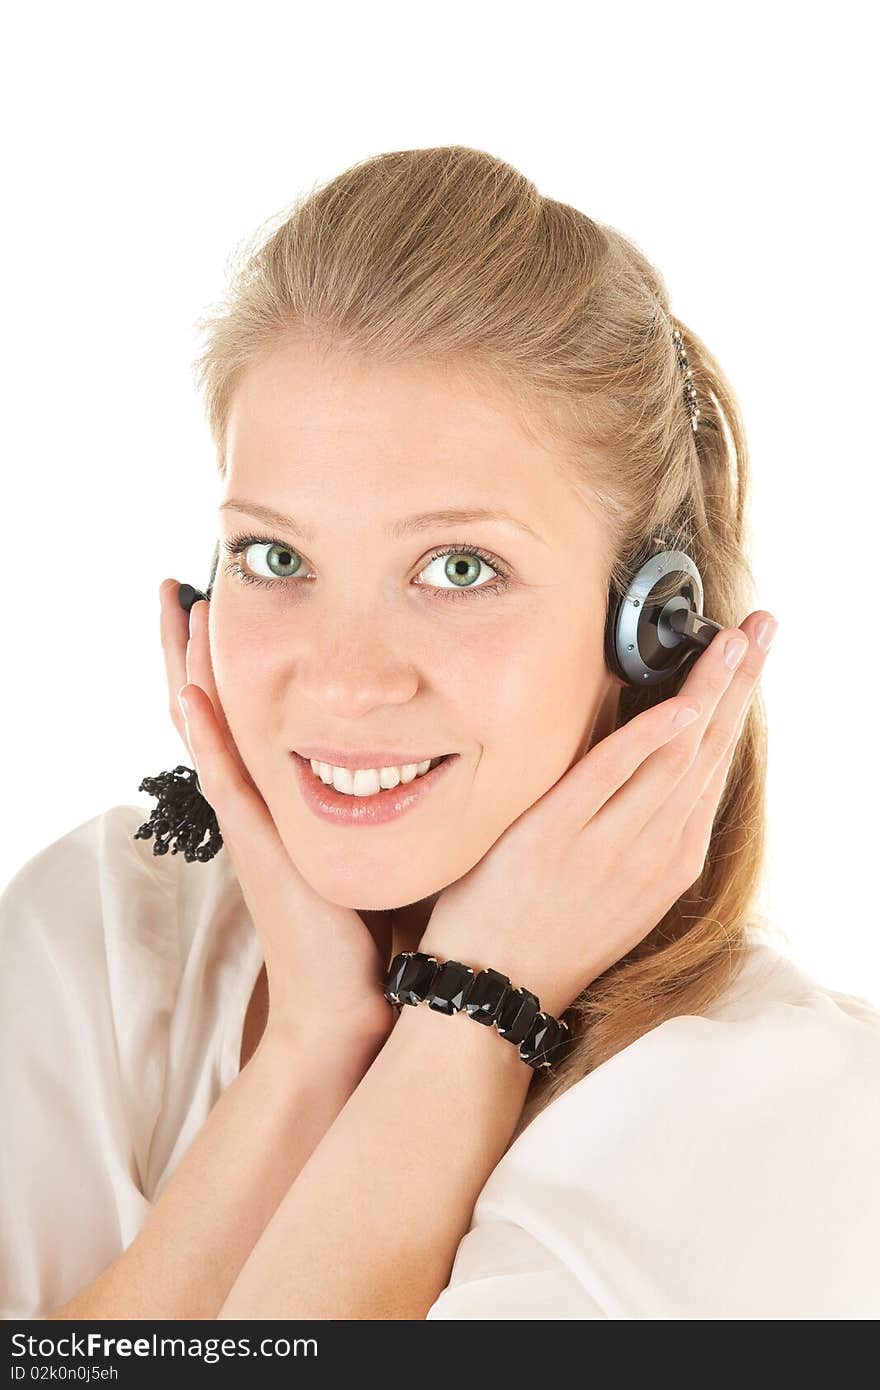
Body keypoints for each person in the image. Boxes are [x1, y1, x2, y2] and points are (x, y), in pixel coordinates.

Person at [2, 145, 878, 1322]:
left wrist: (476, 1009)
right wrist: (310, 1050)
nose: (344, 683)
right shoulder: (108, 931)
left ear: (653, 631)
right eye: (276, 556)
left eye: (458, 568)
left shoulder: (780, 1112)